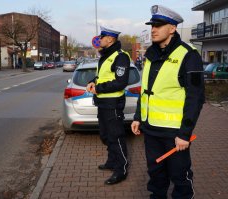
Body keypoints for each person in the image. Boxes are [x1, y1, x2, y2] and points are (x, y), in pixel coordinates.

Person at [131, 5, 205, 199]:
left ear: (172, 28)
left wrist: (185, 134)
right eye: (152, 25)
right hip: (151, 130)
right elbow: (145, 91)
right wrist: (139, 117)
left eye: (159, 25)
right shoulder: (151, 55)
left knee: (180, 178)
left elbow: (195, 98)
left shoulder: (188, 55)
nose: (153, 29)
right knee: (156, 176)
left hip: (174, 134)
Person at [86, 26, 130, 185]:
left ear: (110, 39)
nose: (100, 39)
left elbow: (120, 82)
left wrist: (98, 88)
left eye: (102, 37)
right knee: (106, 135)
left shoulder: (120, 57)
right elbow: (102, 76)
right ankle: (112, 161)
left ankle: (121, 169)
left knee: (116, 136)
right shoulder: (106, 56)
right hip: (103, 103)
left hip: (113, 104)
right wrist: (93, 81)